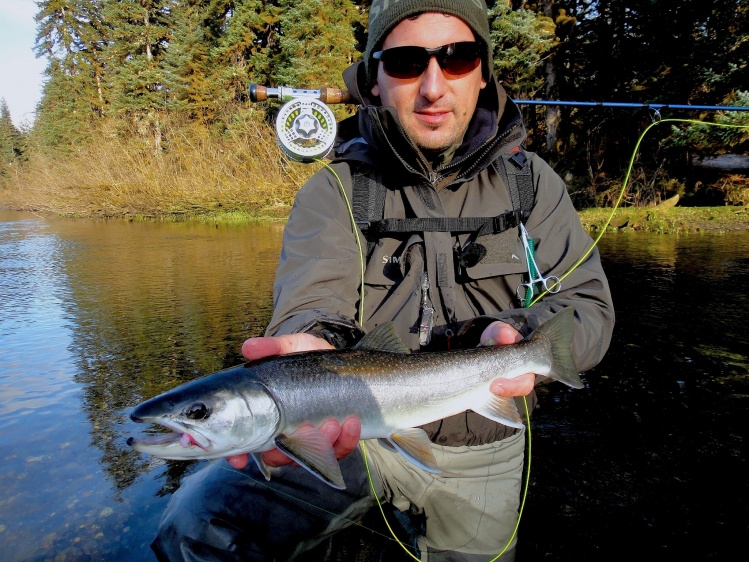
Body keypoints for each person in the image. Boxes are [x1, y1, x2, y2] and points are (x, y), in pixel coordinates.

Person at [152, 1, 615, 560]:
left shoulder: (532, 185)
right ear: (373, 81)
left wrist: (524, 336)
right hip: (355, 438)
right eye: (405, 63)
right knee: (200, 528)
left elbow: (588, 307)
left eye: (458, 57)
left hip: (487, 443)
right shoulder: (335, 191)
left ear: (484, 71)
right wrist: (309, 347)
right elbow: (312, 301)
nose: (433, 87)